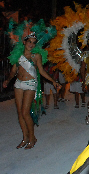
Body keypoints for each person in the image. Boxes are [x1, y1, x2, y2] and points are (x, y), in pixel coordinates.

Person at [2, 21, 59, 150]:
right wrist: (7, 80)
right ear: (24, 42)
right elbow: (13, 71)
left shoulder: (36, 55)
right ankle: (25, 137)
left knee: (25, 112)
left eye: (34, 42)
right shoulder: (18, 54)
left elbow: (42, 71)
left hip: (30, 84)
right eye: (29, 42)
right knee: (19, 113)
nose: (31, 44)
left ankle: (32, 138)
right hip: (18, 84)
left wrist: (53, 81)